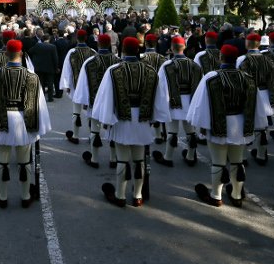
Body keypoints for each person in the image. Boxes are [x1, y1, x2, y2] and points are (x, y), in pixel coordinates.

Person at [91, 37, 167, 208]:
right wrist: (154, 119)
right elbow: (159, 99)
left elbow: (106, 97)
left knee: (122, 160)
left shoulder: (114, 70)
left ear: (123, 50)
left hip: (121, 120)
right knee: (139, 160)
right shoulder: (150, 71)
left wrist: (106, 120)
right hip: (142, 120)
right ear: (138, 50)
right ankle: (138, 196)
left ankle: (120, 195)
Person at [0, 39, 51, 208]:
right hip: (25, 121)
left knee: (2, 161)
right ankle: (25, 196)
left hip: (1, 120)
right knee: (24, 162)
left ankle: (3, 196)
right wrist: (40, 126)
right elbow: (39, 103)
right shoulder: (32, 76)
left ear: (6, 54)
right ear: (22, 54)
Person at [186, 45, 256, 207]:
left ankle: (216, 196)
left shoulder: (212, 77)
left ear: (221, 58)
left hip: (218, 124)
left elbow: (201, 103)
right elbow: (254, 106)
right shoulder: (248, 78)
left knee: (218, 161)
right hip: (240, 125)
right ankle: (236, 195)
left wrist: (201, 125)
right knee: (237, 161)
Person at [153, 36, 203, 168]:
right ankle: (191, 156)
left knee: (172, 130)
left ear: (171, 48)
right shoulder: (195, 65)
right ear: (184, 47)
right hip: (190, 102)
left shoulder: (167, 65)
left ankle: (168, 157)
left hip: (173, 101)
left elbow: (161, 87)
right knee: (190, 130)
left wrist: (162, 104)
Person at [73, 34, 119, 168]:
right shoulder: (118, 61)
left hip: (95, 102)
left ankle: (94, 159)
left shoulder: (90, 62)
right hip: (114, 103)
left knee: (95, 130)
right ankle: (113, 158)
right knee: (113, 129)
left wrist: (84, 102)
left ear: (98, 44)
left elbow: (83, 84)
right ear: (109, 44)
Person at [236, 33, 274, 166]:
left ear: (247, 43)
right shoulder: (268, 59)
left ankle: (242, 157)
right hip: (264, 94)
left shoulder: (242, 59)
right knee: (263, 126)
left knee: (245, 124)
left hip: (247, 95)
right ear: (259, 44)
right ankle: (261, 155)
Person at [59, 30, 97, 144]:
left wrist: (66, 85)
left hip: (76, 86)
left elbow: (67, 69)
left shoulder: (72, 52)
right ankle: (92, 135)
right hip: (90, 86)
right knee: (90, 111)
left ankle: (75, 136)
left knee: (76, 112)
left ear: (77, 38)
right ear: (86, 38)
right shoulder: (93, 52)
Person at [28, 34, 59, 102]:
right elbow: (55, 58)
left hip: (39, 67)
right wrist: (56, 67)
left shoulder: (37, 45)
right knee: (50, 83)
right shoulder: (52, 46)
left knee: (41, 83)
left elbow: (30, 51)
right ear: (49, 39)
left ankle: (42, 97)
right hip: (50, 67)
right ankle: (50, 98)